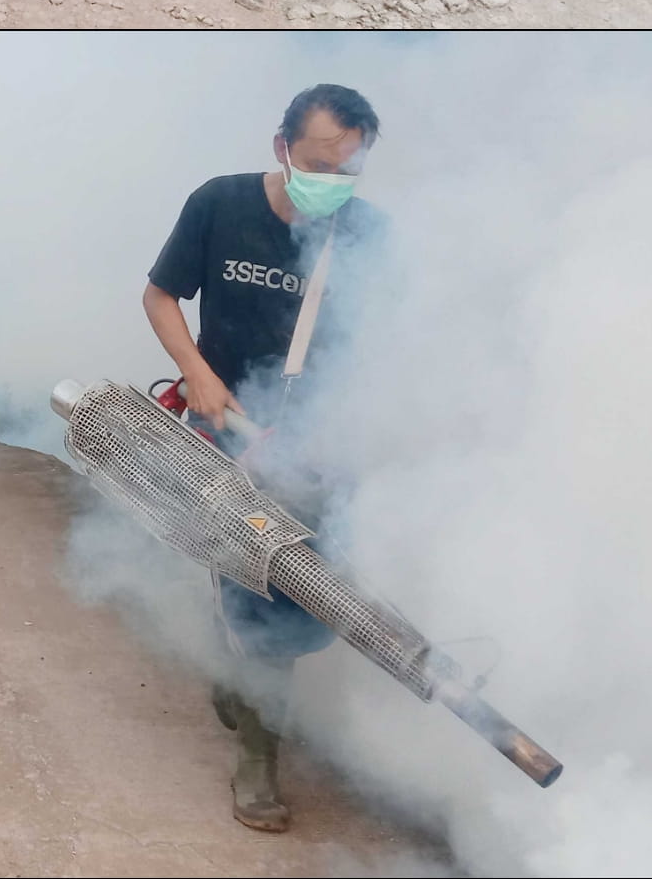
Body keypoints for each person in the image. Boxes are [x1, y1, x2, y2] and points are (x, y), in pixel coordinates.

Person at [142, 83, 385, 833]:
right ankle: (258, 758)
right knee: (259, 593)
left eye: (349, 169)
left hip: (314, 446)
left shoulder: (370, 235)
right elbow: (159, 297)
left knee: (307, 603)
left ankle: (236, 675)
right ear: (282, 148)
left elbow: (382, 352)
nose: (333, 183)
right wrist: (200, 374)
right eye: (320, 163)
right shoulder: (221, 203)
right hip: (223, 437)